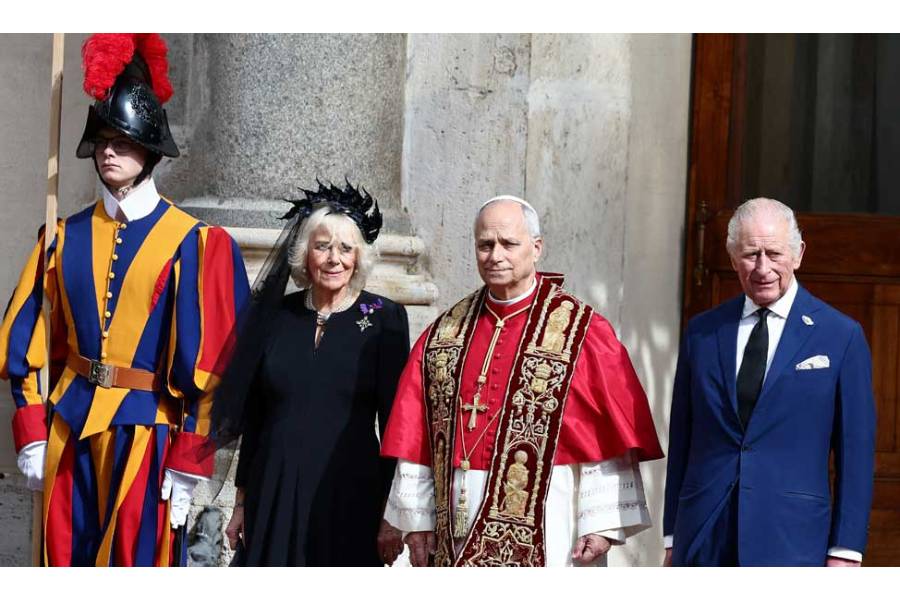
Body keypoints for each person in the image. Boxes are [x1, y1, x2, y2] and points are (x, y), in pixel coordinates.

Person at [0, 33, 249, 566]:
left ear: (150, 149)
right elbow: (27, 338)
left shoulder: (193, 243)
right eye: (104, 139)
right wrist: (30, 425)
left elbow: (214, 365)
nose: (110, 149)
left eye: (125, 139)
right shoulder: (60, 236)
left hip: (147, 433)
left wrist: (191, 455)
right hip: (68, 427)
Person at [380, 195, 664, 567]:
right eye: (485, 244)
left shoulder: (581, 332)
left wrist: (601, 524)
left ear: (536, 247)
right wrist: (417, 518)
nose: (495, 255)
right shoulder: (445, 333)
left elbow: (603, 435)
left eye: (508, 243)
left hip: (552, 514)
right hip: (456, 511)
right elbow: (417, 430)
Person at [663, 197, 876, 567]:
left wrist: (845, 550)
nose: (763, 268)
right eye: (750, 254)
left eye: (774, 253)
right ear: (732, 259)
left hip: (792, 541)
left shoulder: (839, 336)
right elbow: (683, 439)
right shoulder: (702, 333)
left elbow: (855, 453)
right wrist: (672, 536)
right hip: (704, 537)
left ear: (798, 254)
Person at [217, 181, 409, 566]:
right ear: (305, 255)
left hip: (348, 487)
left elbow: (395, 424)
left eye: (345, 248)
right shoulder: (275, 316)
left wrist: (393, 515)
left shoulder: (385, 319)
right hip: (274, 485)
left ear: (358, 257)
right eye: (322, 246)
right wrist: (241, 502)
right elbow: (255, 417)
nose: (333, 258)